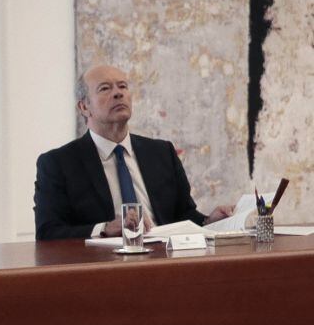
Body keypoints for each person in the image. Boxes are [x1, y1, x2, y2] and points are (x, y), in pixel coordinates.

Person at [34, 64, 233, 240]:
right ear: (84, 107)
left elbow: (184, 215)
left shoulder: (161, 152)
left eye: (122, 86)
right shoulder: (58, 163)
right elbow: (48, 232)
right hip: (102, 269)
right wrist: (104, 229)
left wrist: (209, 221)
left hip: (165, 263)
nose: (118, 93)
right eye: (105, 88)